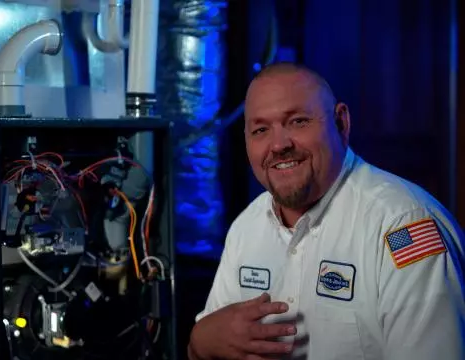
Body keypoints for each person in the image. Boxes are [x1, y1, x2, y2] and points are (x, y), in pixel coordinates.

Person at [187, 63, 465, 360]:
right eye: (260, 130)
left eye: (298, 121)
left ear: (341, 123)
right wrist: (200, 341)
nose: (279, 144)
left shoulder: (401, 226)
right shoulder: (247, 228)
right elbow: (207, 347)